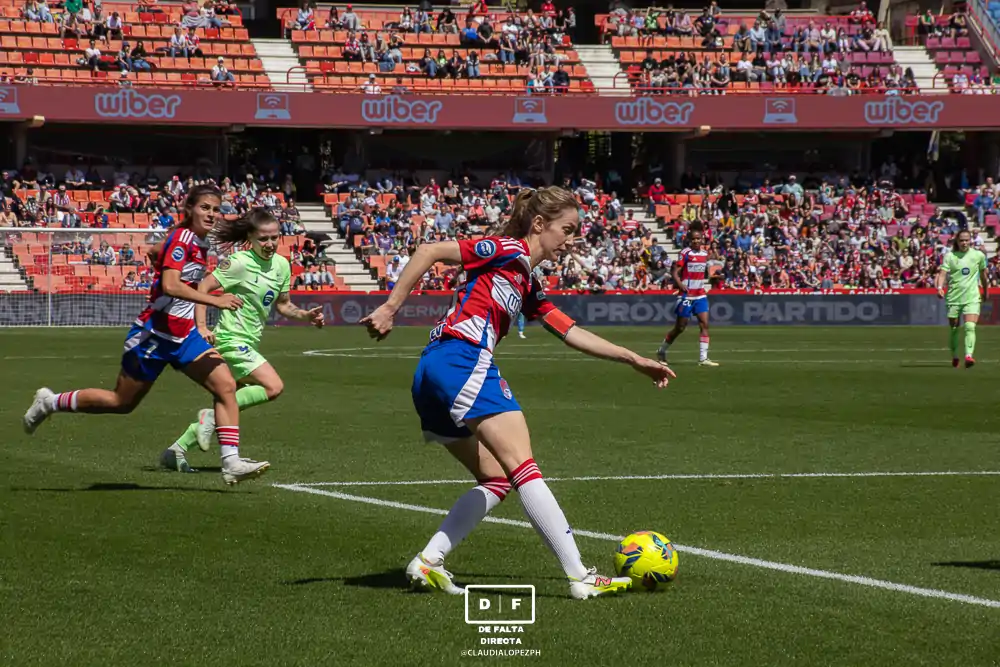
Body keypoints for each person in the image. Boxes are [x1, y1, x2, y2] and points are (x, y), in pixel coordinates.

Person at [361, 186, 675, 600]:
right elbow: (429, 250)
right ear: (540, 225)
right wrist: (390, 307)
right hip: (461, 358)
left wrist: (633, 359)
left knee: (496, 478)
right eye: (567, 229)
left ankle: (428, 561)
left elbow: (570, 330)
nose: (571, 238)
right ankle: (580, 576)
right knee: (523, 466)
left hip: (434, 371)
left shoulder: (526, 278)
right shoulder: (506, 248)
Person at [22, 185, 271, 485]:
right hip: (154, 335)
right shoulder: (182, 239)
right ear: (190, 208)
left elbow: (154, 252)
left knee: (226, 386)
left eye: (216, 209)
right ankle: (50, 402)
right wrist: (216, 300)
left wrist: (159, 259)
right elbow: (170, 285)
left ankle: (231, 463)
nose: (211, 213)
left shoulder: (196, 240)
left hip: (184, 335)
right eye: (205, 207)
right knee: (120, 402)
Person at [161, 208, 325, 472]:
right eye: (264, 239)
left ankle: (177, 450)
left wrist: (306, 316)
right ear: (250, 237)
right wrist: (201, 326)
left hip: (249, 342)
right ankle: (210, 420)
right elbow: (203, 287)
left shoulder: (282, 265)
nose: (270, 244)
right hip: (229, 340)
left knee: (231, 399)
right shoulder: (238, 262)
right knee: (273, 387)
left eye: (275, 238)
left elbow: (283, 305)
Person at [657, 221, 718, 367]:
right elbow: (675, 272)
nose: (696, 241)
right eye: (694, 239)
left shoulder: (704, 254)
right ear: (689, 240)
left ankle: (703, 358)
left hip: (700, 295)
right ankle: (662, 350)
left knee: (704, 324)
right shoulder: (685, 253)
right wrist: (680, 284)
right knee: (680, 327)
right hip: (686, 296)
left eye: (699, 238)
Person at [936, 229, 987, 368]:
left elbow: (983, 276)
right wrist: (940, 288)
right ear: (957, 241)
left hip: (972, 296)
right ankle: (955, 356)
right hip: (954, 297)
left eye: (966, 240)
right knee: (954, 328)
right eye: (961, 240)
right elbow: (942, 274)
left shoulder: (978, 255)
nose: (964, 242)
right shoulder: (950, 256)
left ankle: (968, 356)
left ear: (971, 240)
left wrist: (985, 290)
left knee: (970, 326)